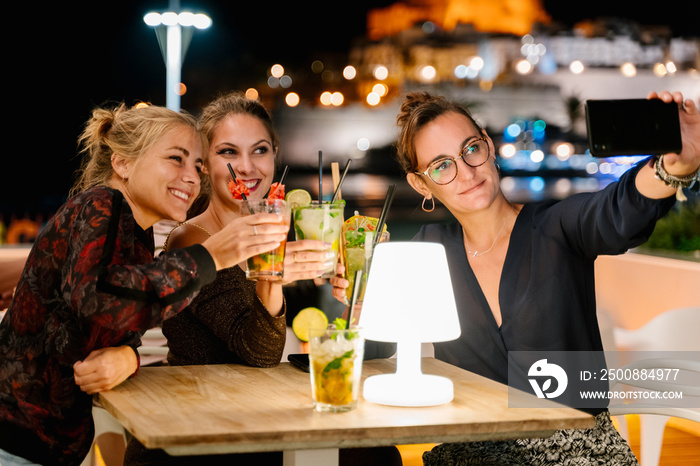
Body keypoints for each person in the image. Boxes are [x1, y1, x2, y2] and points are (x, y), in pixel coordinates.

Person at [332, 90, 699, 465]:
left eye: (470, 149)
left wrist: (675, 166)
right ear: (421, 185)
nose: (467, 172)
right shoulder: (428, 251)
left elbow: (617, 209)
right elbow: (374, 352)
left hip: (576, 453)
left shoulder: (556, 227)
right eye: (442, 166)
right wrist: (360, 301)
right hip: (470, 453)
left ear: (488, 147)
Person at [0, 103, 289, 466]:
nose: (191, 177)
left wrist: (129, 356)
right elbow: (97, 297)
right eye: (176, 159)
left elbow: (116, 316)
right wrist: (210, 256)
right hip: (14, 443)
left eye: (197, 166)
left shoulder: (134, 235)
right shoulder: (100, 204)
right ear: (121, 163)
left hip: (41, 448)